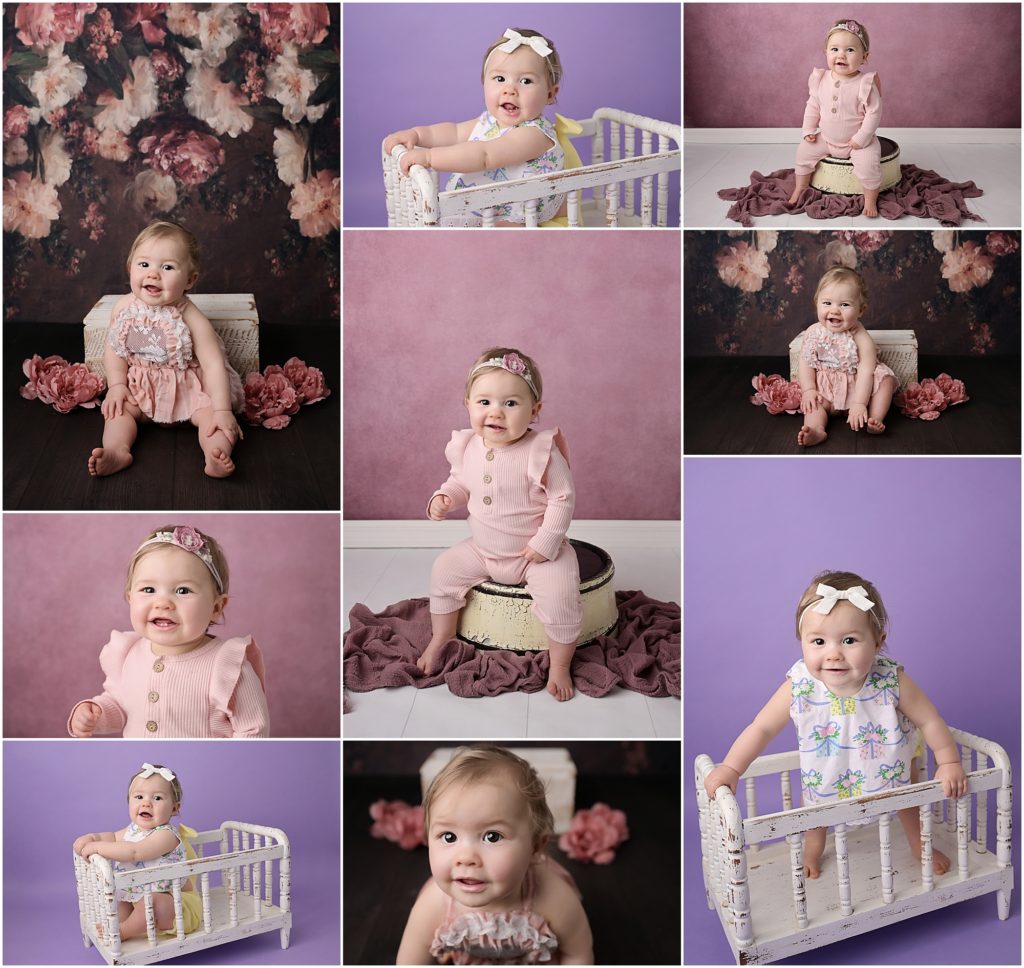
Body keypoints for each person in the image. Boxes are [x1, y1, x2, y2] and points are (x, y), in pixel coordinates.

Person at [703, 570, 968, 878]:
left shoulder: (891, 679)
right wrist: (732, 768)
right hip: (825, 766)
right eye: (818, 641)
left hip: (890, 761)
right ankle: (813, 850)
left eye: (849, 640)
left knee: (908, 799)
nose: (833, 654)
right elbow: (761, 728)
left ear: (878, 642)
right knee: (814, 808)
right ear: (801, 641)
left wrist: (948, 761)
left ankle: (918, 844)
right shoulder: (799, 684)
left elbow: (929, 719)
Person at [420, 349, 582, 700]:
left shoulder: (540, 451)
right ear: (467, 404)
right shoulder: (467, 446)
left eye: (511, 403)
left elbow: (562, 497)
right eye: (484, 401)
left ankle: (560, 664)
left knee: (561, 599)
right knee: (443, 571)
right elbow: (461, 482)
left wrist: (546, 541)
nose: (495, 411)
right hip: (484, 550)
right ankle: (442, 636)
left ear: (535, 411)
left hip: (537, 555)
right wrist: (445, 497)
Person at [397, 745, 594, 964]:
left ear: (535, 847)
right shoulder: (433, 905)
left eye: (492, 836)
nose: (466, 857)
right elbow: (410, 959)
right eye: (449, 837)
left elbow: (577, 954)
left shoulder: (554, 899)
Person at [68, 525, 269, 737]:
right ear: (130, 598)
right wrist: (95, 714)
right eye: (148, 590)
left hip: (205, 768)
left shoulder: (228, 666)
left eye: (183, 590)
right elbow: (119, 705)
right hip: (144, 765)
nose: (162, 603)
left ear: (216, 607)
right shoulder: (127, 654)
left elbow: (253, 730)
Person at [88, 219, 244, 478]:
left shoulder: (192, 318)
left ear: (190, 280)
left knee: (212, 420)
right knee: (119, 413)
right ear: (130, 268)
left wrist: (222, 410)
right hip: (141, 388)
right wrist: (117, 386)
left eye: (168, 267)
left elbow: (213, 364)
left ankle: (216, 455)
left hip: (189, 390)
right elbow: (115, 349)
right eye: (144, 264)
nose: (153, 274)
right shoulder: (123, 309)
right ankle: (116, 451)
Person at [383, 28, 567, 226]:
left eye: (526, 81)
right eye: (500, 79)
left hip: (517, 215)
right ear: (484, 83)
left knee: (499, 237)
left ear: (550, 94)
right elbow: (453, 132)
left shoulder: (534, 135)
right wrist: (417, 134)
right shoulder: (489, 121)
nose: (510, 90)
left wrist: (429, 157)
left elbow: (485, 155)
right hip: (485, 207)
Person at [73, 763, 202, 940]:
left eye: (157, 798)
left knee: (153, 900)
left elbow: (135, 852)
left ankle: (124, 931)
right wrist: (93, 837)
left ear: (174, 808)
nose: (146, 803)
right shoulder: (133, 830)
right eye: (139, 796)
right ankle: (122, 923)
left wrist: (96, 848)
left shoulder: (166, 835)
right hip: (140, 899)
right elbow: (111, 836)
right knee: (123, 898)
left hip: (176, 905)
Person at [796, 259, 897, 446]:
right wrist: (809, 390)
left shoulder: (862, 338)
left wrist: (859, 404)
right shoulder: (813, 332)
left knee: (886, 381)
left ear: (861, 310)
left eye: (844, 305)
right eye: (827, 303)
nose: (834, 310)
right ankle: (817, 430)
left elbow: (867, 372)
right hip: (826, 391)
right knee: (813, 406)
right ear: (816, 303)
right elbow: (806, 363)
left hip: (858, 391)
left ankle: (875, 419)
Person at [789, 19, 882, 217]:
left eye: (850, 50)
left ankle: (870, 199)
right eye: (834, 49)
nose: (841, 55)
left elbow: (874, 113)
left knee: (869, 167)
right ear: (826, 52)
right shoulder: (821, 79)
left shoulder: (865, 83)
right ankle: (801, 187)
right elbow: (813, 105)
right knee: (803, 153)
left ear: (865, 57)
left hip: (858, 142)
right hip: (827, 139)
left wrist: (862, 138)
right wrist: (808, 130)